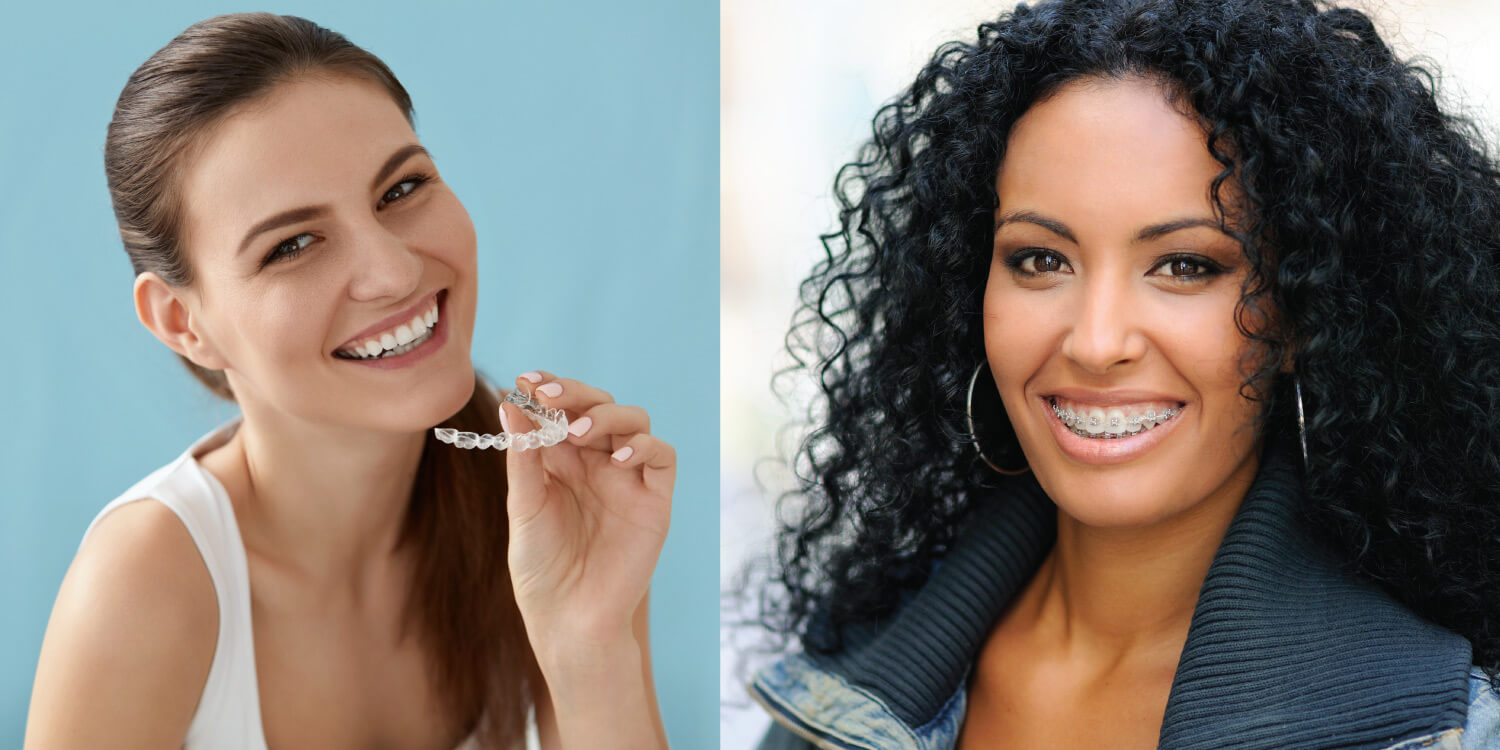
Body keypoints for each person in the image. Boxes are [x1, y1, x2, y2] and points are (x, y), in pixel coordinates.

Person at [746, 0, 1500, 747]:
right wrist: (620, 635)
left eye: (1184, 266)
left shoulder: (1443, 725)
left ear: (1305, 313)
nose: (1096, 342)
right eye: (1040, 260)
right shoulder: (856, 679)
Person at [24, 13, 673, 750]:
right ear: (181, 321)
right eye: (292, 244)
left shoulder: (549, 516)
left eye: (401, 189)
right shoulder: (145, 584)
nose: (395, 271)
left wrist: (591, 644)